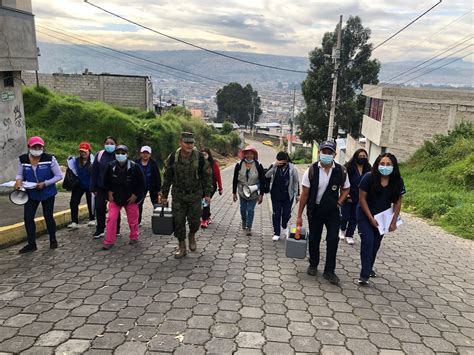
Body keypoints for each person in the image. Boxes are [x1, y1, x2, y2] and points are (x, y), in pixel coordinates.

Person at [296, 141, 350, 285]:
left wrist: (339, 202)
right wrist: (299, 215)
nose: (326, 155)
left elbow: (346, 189)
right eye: (324, 152)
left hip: (332, 212)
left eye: (330, 152)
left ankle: (329, 271)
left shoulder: (341, 171)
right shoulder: (312, 170)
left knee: (333, 240)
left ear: (334, 154)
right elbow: (304, 194)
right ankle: (313, 264)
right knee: (314, 238)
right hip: (315, 209)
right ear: (319, 152)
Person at [161, 132, 212, 259]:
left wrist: (207, 194)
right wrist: (164, 195)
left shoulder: (199, 158)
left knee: (195, 222)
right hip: (178, 195)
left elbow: (207, 176)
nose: (189, 145)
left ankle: (192, 235)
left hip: (195, 195)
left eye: (191, 143)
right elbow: (167, 177)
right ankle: (182, 246)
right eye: (186, 142)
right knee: (178, 221)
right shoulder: (173, 157)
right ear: (180, 142)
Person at [357, 153, 405, 285]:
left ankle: (369, 267)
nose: (385, 167)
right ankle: (364, 274)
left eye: (388, 164)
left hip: (383, 218)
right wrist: (370, 218)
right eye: (382, 164)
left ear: (394, 166)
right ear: (377, 165)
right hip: (365, 215)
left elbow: (398, 202)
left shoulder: (398, 181)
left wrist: (393, 221)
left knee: (375, 245)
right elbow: (361, 199)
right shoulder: (369, 177)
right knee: (368, 241)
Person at [14, 136, 63, 253]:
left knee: (48, 216)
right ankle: (31, 244)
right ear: (29, 147)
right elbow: (20, 174)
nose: (37, 148)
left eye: (39, 146)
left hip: (47, 192)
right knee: (28, 217)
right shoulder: (23, 159)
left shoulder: (49, 159)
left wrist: (45, 183)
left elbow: (58, 176)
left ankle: (53, 239)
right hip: (31, 193)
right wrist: (18, 181)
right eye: (34, 146)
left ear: (43, 147)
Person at [102, 145, 145, 250]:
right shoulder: (110, 166)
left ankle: (134, 236)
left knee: (133, 220)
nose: (120, 155)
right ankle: (109, 241)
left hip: (130, 198)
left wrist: (135, 195)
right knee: (111, 219)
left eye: (123, 153)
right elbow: (105, 181)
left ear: (127, 154)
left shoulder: (135, 167)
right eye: (118, 153)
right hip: (115, 198)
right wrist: (109, 193)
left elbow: (142, 183)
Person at [339, 149, 371, 245]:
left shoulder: (368, 169)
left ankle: (349, 235)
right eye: (360, 156)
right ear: (356, 156)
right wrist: (346, 194)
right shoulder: (348, 167)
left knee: (355, 217)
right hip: (348, 195)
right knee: (345, 215)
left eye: (364, 156)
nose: (362, 158)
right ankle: (342, 229)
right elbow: (342, 181)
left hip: (360, 198)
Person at [90, 136, 120, 239]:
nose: (109, 145)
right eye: (107, 143)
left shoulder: (119, 155)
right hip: (101, 187)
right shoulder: (100, 155)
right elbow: (94, 171)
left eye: (112, 143)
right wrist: (93, 187)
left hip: (114, 188)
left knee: (115, 209)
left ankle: (116, 229)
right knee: (99, 208)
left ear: (115, 144)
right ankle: (100, 229)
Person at [265, 151, 300, 241]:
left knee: (286, 214)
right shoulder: (274, 166)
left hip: (288, 196)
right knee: (276, 214)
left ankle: (284, 226)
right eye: (278, 161)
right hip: (276, 195)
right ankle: (276, 233)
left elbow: (296, 182)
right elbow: (267, 175)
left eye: (282, 162)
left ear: (286, 161)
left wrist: (297, 195)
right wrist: (274, 165)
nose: (280, 164)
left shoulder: (292, 169)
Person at [232, 145, 265, 237]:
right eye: (247, 153)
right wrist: (234, 193)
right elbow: (235, 179)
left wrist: (261, 194)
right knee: (243, 209)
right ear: (244, 154)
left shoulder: (259, 165)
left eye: (251, 154)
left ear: (254, 155)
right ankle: (244, 220)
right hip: (242, 192)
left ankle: (248, 227)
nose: (249, 156)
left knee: (250, 210)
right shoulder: (239, 164)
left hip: (253, 193)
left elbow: (262, 181)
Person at [67, 142, 95, 229]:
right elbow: (72, 170)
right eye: (81, 151)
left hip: (90, 184)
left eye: (85, 151)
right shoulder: (76, 160)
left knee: (91, 202)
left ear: (89, 151)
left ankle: (92, 218)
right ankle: (74, 221)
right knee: (73, 202)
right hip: (79, 184)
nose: (83, 153)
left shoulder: (93, 160)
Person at [135, 145, 161, 226]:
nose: (145, 155)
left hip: (152, 186)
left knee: (156, 203)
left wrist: (159, 189)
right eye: (143, 153)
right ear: (140, 153)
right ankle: (137, 221)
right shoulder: (136, 162)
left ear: (150, 154)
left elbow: (157, 176)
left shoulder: (153, 163)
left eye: (147, 153)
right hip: (140, 187)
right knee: (138, 204)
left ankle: (159, 220)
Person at [200, 148, 223, 229]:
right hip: (200, 187)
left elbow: (218, 177)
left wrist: (220, 188)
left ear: (209, 155)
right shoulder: (198, 164)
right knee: (203, 202)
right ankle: (208, 216)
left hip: (211, 187)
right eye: (202, 154)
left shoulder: (213, 164)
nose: (204, 156)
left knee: (205, 201)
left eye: (205, 154)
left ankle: (204, 220)